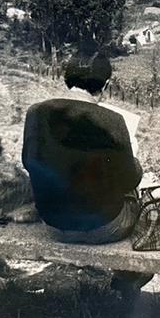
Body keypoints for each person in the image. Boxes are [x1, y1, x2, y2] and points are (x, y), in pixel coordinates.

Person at [22, 51, 150, 297]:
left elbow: (29, 162)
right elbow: (128, 180)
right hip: (106, 227)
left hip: (53, 223)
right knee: (138, 193)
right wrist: (134, 160)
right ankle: (128, 275)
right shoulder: (112, 120)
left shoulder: (35, 113)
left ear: (66, 78)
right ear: (106, 84)